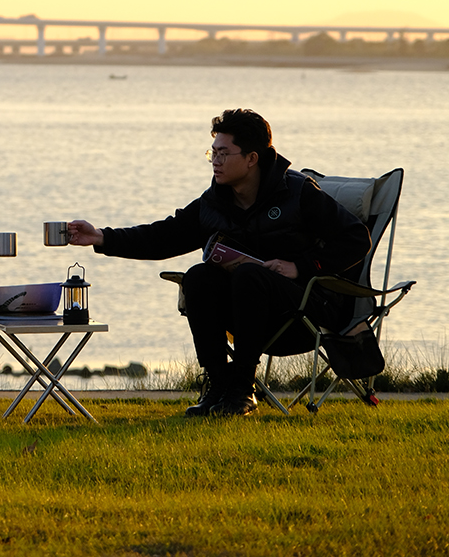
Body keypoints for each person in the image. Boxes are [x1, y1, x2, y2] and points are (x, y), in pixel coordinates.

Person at [67, 108, 371, 417]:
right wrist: (102, 237)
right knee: (199, 276)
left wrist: (301, 266)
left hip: (303, 313)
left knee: (250, 275)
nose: (215, 160)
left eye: (224, 153)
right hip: (247, 317)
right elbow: (163, 236)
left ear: (252, 158)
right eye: (212, 153)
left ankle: (243, 389)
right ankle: (219, 385)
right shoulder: (214, 202)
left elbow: (357, 239)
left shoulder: (298, 192)